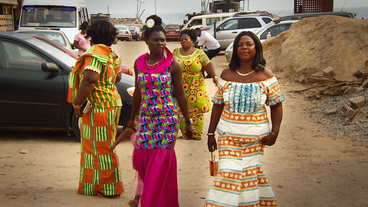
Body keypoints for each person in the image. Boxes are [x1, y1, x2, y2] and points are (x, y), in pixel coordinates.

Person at [205, 31, 285, 207]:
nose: (244, 48)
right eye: (240, 44)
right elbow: (218, 105)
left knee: (250, 176)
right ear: (235, 49)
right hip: (228, 137)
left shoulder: (267, 76)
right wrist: (211, 133)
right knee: (227, 174)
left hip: (255, 140)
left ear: (256, 48)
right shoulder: (226, 74)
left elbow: (276, 105)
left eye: (249, 44)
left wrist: (275, 133)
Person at [126, 15, 193, 207]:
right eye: (155, 40)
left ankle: (151, 202)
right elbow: (138, 92)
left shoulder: (173, 64)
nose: (160, 43)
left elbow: (180, 95)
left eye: (163, 40)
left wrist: (187, 123)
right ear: (146, 41)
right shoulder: (139, 63)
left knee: (159, 165)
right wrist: (132, 120)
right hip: (146, 120)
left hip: (166, 121)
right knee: (144, 162)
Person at [67, 20, 124, 197]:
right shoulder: (111, 54)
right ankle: (92, 186)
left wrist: (76, 103)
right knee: (95, 145)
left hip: (100, 106)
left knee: (101, 147)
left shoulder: (94, 55)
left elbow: (89, 81)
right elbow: (118, 78)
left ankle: (109, 187)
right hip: (111, 102)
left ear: (91, 34)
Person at [172, 29, 218, 140]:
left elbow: (208, 64)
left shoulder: (199, 53)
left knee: (197, 107)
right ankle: (185, 133)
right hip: (179, 84)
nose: (183, 41)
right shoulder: (175, 52)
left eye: (186, 39)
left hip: (196, 85)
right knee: (180, 108)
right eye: (181, 39)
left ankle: (196, 133)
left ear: (192, 41)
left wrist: (214, 76)